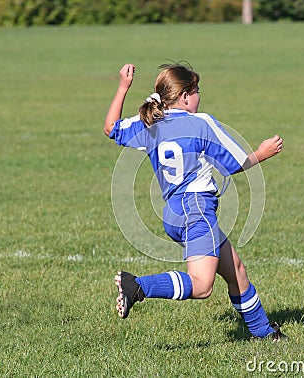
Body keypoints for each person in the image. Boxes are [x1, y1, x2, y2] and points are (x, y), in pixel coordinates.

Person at [104, 62, 287, 341]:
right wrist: (263, 153)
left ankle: (262, 332)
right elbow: (234, 164)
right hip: (197, 211)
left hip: (174, 213)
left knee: (235, 269)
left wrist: (122, 87)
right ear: (186, 96)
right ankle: (138, 286)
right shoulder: (200, 123)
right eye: (197, 91)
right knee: (202, 286)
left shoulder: (151, 124)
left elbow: (111, 128)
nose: (200, 97)